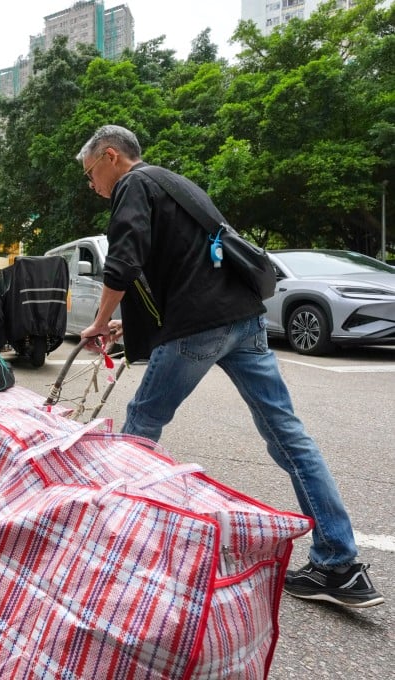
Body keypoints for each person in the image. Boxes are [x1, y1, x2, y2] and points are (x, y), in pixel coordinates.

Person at [75, 124, 383, 608]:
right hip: (245, 320)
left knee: (138, 430)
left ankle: (112, 548)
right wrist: (122, 329)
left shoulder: (134, 184)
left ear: (111, 157)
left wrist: (98, 321)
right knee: (288, 435)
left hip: (199, 327)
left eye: (91, 173)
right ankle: (339, 564)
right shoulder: (177, 184)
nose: (92, 186)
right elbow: (188, 268)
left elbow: (124, 260)